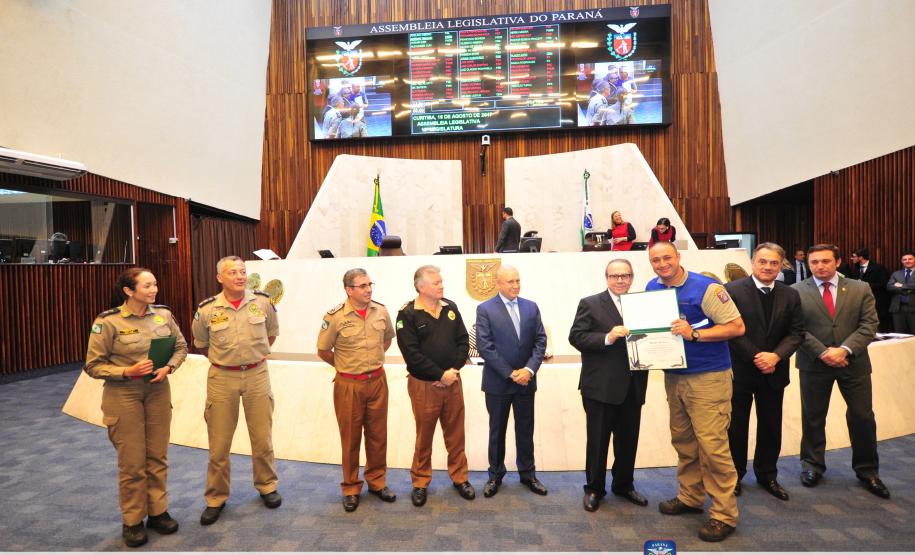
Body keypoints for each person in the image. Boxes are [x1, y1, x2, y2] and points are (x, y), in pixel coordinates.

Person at [645, 241, 745, 542]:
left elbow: (736, 327)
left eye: (667, 258)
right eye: (655, 260)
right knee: (684, 441)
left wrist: (695, 334)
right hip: (674, 376)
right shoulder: (652, 288)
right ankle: (690, 496)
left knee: (713, 447)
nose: (662, 264)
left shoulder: (707, 289)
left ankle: (724, 514)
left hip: (708, 378)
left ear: (678, 257)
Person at [84, 267, 188, 548]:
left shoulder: (163, 315)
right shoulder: (108, 321)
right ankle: (132, 521)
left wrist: (169, 367)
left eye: (155, 284)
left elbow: (181, 347)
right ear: (129, 291)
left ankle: (158, 512)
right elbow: (93, 366)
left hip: (157, 391)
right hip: (123, 394)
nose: (154, 290)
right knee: (132, 463)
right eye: (147, 286)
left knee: (157, 456)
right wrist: (126, 371)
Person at [791, 244, 889, 499]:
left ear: (837, 262)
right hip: (814, 363)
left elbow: (869, 325)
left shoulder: (860, 288)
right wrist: (824, 352)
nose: (819, 266)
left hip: (853, 363)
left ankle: (867, 470)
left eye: (825, 261)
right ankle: (812, 466)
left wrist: (844, 350)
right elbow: (796, 328)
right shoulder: (795, 291)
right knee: (813, 417)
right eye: (814, 262)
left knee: (862, 417)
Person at [192, 256, 282, 525]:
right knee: (219, 444)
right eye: (233, 272)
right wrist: (227, 360)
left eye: (243, 271)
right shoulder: (207, 309)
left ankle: (267, 485)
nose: (240, 276)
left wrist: (252, 357)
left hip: (257, 374)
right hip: (222, 377)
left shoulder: (263, 302)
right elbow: (201, 344)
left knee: (262, 438)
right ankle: (216, 497)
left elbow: (271, 335)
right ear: (220, 278)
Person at [724, 243, 804, 501]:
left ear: (781, 266)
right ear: (753, 262)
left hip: (774, 371)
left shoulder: (791, 295)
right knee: (736, 426)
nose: (768, 267)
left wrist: (776, 356)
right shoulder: (732, 291)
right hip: (741, 370)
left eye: (774, 263)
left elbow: (796, 333)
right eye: (763, 261)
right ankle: (734, 476)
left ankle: (767, 474)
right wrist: (756, 356)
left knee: (771, 425)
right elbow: (729, 330)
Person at [569, 259, 650, 512]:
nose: (620, 280)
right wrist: (608, 337)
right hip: (600, 388)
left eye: (625, 275)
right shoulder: (590, 303)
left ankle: (624, 485)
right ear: (607, 278)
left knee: (628, 442)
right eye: (615, 276)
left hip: (634, 386)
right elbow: (576, 337)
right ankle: (594, 489)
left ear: (632, 277)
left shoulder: (644, 304)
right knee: (598, 442)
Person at [317, 269, 396, 512]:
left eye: (370, 284)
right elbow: (323, 350)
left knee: (378, 435)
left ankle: (377, 481)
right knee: (351, 438)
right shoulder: (335, 317)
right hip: (349, 385)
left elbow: (386, 340)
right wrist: (346, 367)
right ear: (349, 290)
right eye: (362, 286)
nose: (368, 289)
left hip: (377, 381)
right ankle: (351, 487)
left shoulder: (381, 311)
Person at [396, 265, 474, 506]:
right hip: (424, 386)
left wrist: (453, 371)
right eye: (436, 283)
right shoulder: (407, 314)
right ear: (421, 287)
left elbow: (463, 341)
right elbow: (411, 355)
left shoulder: (450, 307)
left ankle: (460, 478)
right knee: (424, 437)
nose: (441, 285)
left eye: (441, 281)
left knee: (456, 435)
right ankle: (420, 482)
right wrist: (440, 375)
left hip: (453, 382)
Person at [475, 265, 548, 498]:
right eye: (510, 282)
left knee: (525, 429)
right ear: (498, 283)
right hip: (498, 382)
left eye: (517, 281)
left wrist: (528, 370)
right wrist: (511, 373)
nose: (515, 285)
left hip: (526, 381)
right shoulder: (485, 309)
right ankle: (495, 475)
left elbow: (540, 341)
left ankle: (528, 474)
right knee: (497, 432)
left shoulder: (531, 307)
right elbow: (485, 346)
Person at [852, 247, 891, 331]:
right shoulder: (855, 268)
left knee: (880, 328)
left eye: (854, 256)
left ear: (860, 257)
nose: (852, 258)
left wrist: (866, 284)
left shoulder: (878, 268)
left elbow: (884, 284)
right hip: (861, 302)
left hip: (877, 302)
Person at [887, 250, 915, 333]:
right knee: (899, 335)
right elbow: (889, 287)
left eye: (910, 259)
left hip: (913, 308)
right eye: (904, 259)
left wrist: (902, 286)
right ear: (902, 261)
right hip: (898, 309)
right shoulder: (896, 274)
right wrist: (908, 289)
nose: (907, 261)